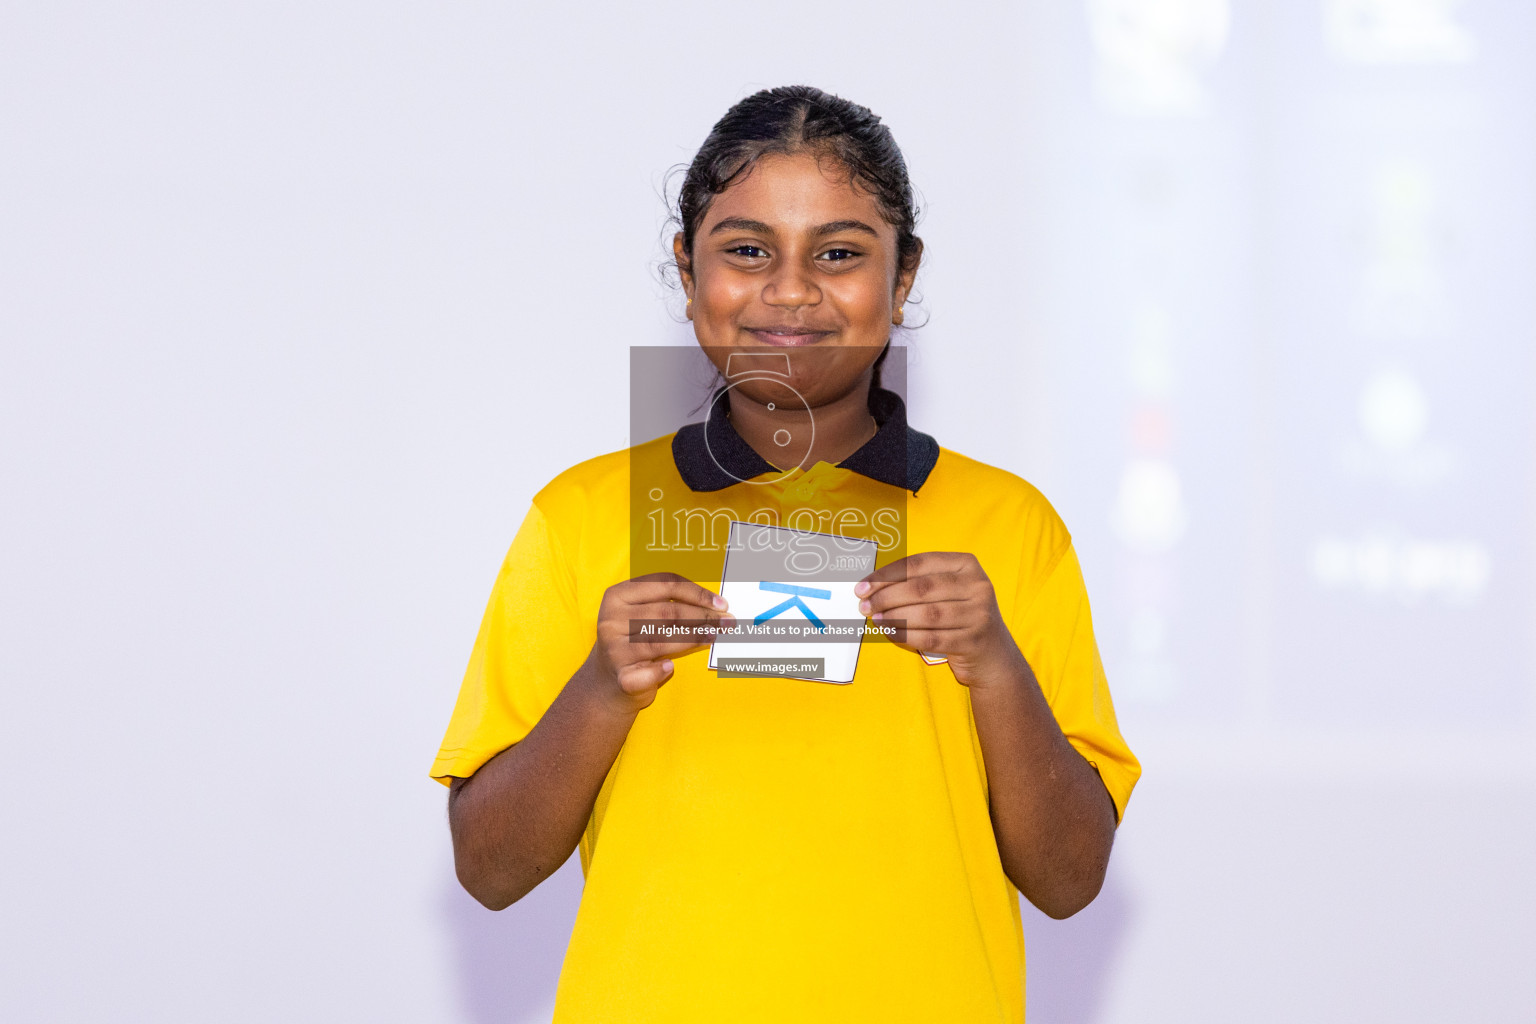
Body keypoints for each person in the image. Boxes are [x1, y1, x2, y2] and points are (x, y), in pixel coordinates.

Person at [431, 85, 1140, 1024]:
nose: (792, 289)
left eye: (839, 253)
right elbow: (488, 869)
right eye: (747, 250)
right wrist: (603, 686)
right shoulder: (582, 517)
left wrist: (997, 665)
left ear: (905, 276)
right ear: (688, 274)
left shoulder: (1008, 525)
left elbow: (1069, 879)